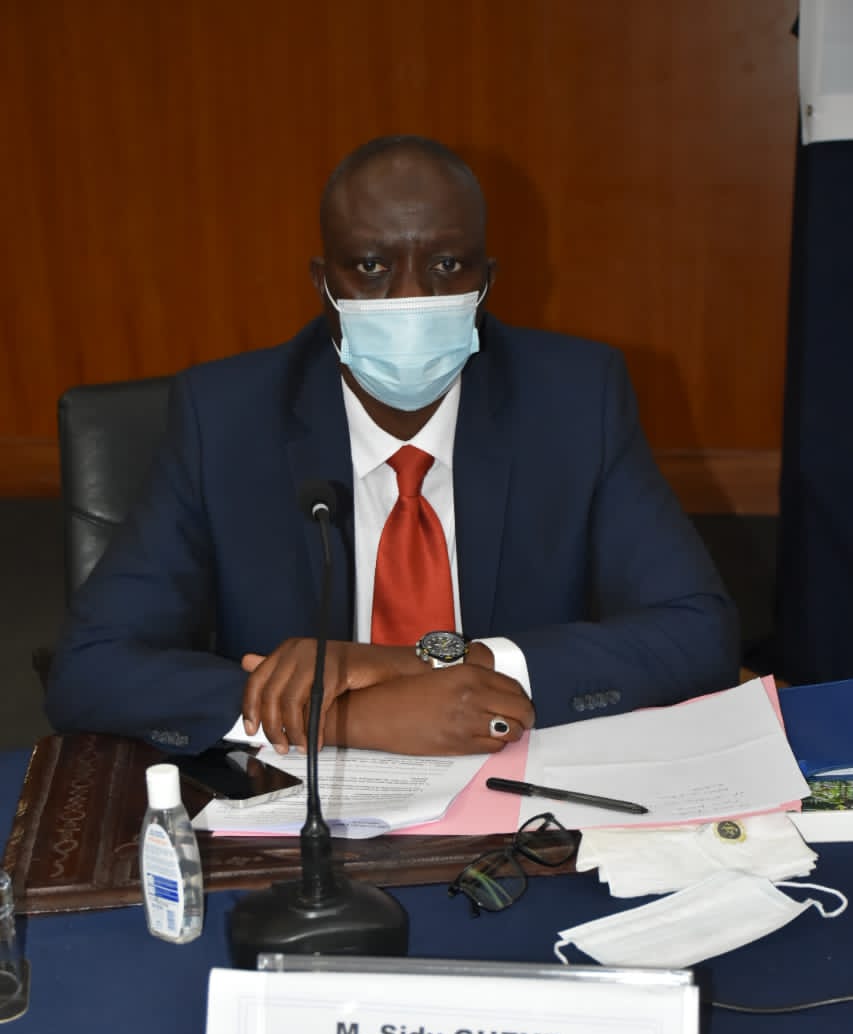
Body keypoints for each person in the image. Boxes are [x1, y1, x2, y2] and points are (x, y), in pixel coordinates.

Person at [45, 135, 740, 758]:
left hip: (521, 780)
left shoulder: (574, 399)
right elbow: (91, 666)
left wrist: (439, 666)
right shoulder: (225, 419)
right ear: (323, 282)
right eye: (371, 265)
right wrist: (345, 714)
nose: (409, 296)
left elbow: (698, 632)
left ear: (486, 282)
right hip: (297, 803)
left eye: (447, 263)